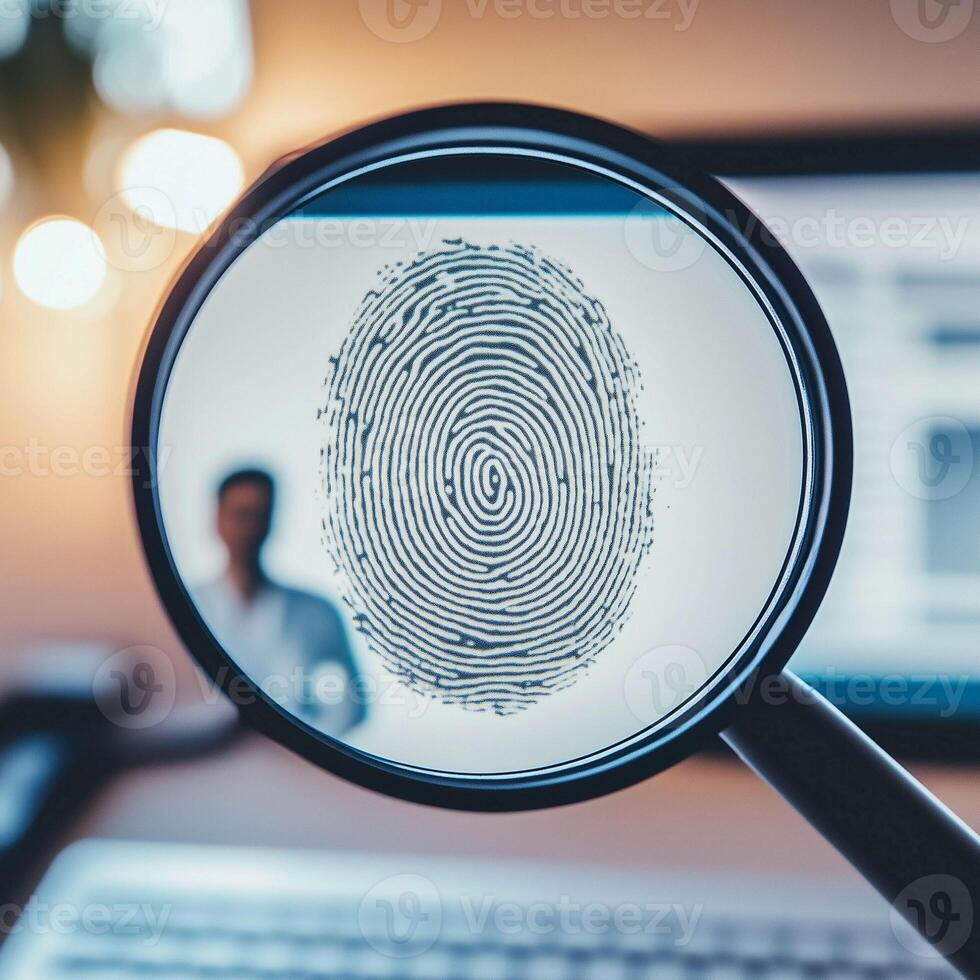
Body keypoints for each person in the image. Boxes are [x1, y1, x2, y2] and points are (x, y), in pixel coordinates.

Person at [194, 468, 365, 735]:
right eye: (240, 515)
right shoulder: (193, 606)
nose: (249, 528)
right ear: (217, 519)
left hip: (293, 766)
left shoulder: (317, 612)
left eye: (259, 516)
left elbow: (354, 704)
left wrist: (306, 742)